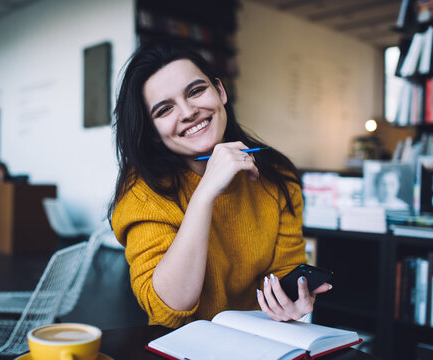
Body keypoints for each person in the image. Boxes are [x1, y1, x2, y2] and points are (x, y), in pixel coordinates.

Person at [108, 42, 331, 328]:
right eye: (165, 109)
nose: (188, 112)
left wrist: (291, 301)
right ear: (152, 132)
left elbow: (284, 273)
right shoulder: (141, 192)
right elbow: (168, 309)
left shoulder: (277, 175)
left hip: (258, 341)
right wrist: (205, 194)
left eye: (196, 91)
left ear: (220, 91)